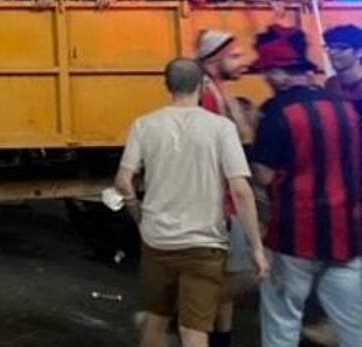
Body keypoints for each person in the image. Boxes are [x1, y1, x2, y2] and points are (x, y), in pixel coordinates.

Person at [114, 58, 267, 347]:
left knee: (155, 320)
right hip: (204, 245)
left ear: (167, 86)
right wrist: (256, 247)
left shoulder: (145, 125)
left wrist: (138, 215)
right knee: (193, 329)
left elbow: (123, 181)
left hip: (158, 241)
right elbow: (241, 190)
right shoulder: (221, 128)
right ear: (202, 85)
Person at [249, 25, 362, 347]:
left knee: (282, 321)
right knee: (354, 326)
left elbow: (264, 175)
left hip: (295, 235)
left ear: (283, 73)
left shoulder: (279, 112)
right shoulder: (344, 107)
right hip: (347, 233)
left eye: (270, 71)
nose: (268, 79)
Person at [194, 30, 258, 347]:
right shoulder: (206, 97)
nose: (242, 61)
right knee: (241, 276)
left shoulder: (216, 91)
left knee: (226, 280)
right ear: (214, 60)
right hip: (217, 204)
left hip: (222, 202)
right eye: (234, 56)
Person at [323, 23, 362, 116]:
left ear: (359, 52)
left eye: (340, 48)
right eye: (329, 47)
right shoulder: (331, 84)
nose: (332, 53)